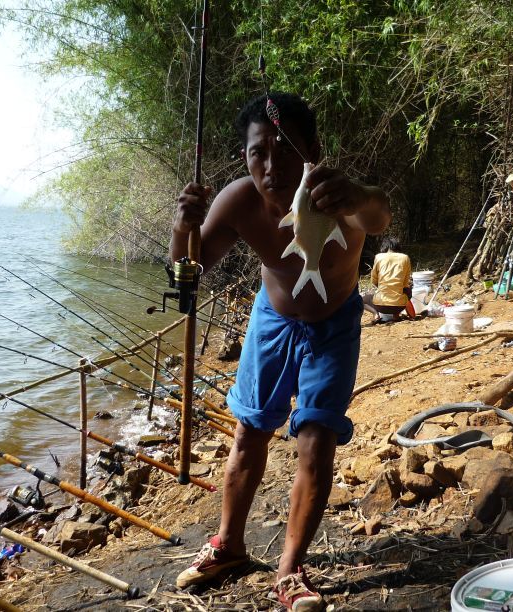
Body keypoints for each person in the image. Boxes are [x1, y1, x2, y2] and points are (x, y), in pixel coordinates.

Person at [171, 92, 390, 611]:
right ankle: (228, 545)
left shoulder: (335, 195)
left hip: (332, 326)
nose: (271, 166)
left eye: (284, 149)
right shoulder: (240, 200)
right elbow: (190, 265)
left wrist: (357, 194)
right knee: (249, 431)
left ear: (312, 148)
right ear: (245, 158)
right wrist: (183, 224)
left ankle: (290, 571)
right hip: (271, 322)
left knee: (316, 439)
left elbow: (377, 214)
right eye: (257, 153)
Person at [361, 237, 412, 323]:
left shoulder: (378, 257)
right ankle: (396, 315)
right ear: (397, 247)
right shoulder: (405, 258)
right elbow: (405, 283)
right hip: (399, 305)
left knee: (360, 300)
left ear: (384, 247)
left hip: (380, 305)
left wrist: (381, 287)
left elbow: (374, 280)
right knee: (408, 290)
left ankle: (375, 314)